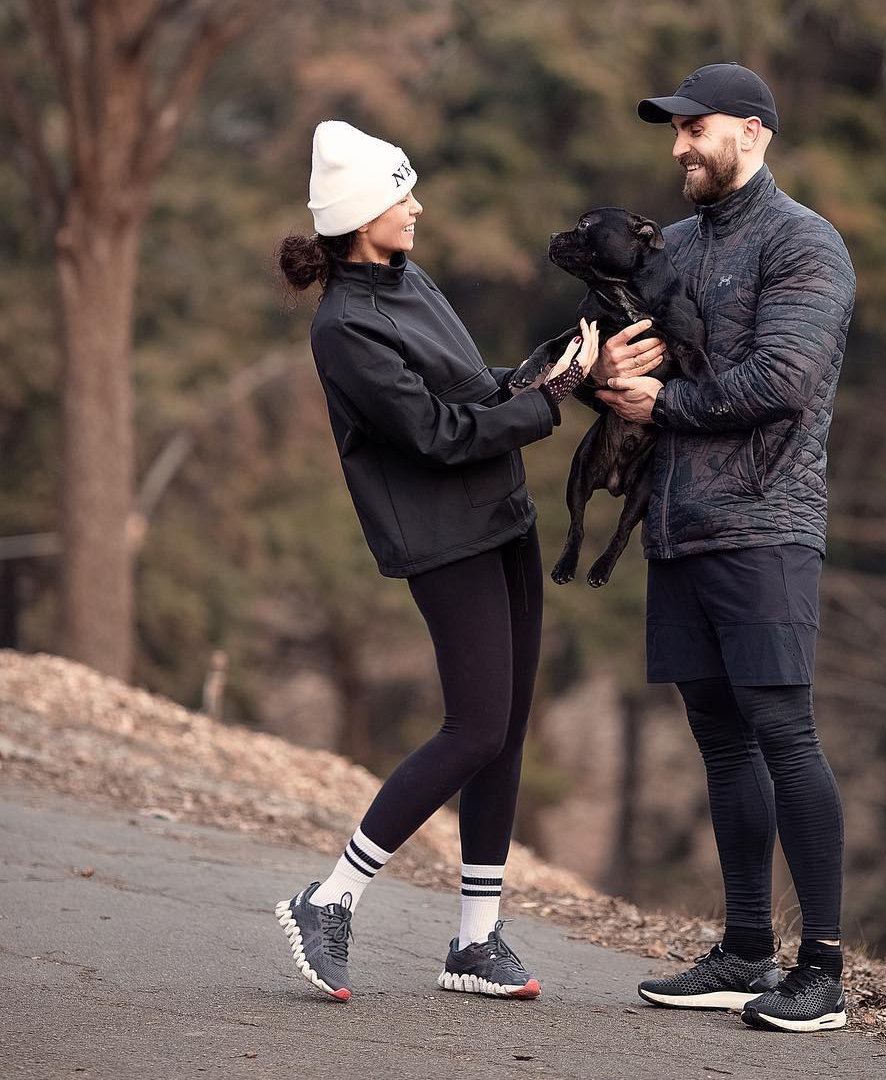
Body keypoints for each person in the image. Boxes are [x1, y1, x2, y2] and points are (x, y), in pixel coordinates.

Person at [274, 119, 598, 1003]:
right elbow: (436, 432)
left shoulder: (409, 279)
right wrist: (551, 402)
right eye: (401, 194)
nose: (417, 206)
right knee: (475, 728)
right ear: (361, 215)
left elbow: (472, 389)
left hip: (505, 516)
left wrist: (558, 367)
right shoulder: (344, 326)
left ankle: (475, 940)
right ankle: (330, 897)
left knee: (507, 729)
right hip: (444, 539)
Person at [594, 64, 856, 1033]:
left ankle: (822, 969)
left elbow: (784, 379)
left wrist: (663, 401)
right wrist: (608, 371)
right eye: (673, 131)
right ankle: (747, 948)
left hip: (766, 524)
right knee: (719, 736)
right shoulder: (674, 245)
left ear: (752, 131)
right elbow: (631, 371)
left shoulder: (805, 243)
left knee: (784, 729)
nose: (679, 147)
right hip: (677, 526)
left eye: (694, 128)